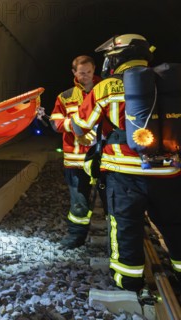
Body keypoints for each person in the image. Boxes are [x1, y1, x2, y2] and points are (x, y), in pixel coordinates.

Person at [71, 34, 181, 292]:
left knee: (125, 224)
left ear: (117, 58)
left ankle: (128, 281)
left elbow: (80, 124)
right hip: (169, 172)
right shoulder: (170, 84)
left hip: (124, 175)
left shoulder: (105, 87)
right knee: (175, 224)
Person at [47, 55, 101, 249]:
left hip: (104, 157)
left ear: (94, 70)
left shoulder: (103, 90)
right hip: (76, 159)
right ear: (74, 73)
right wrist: (76, 126)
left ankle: (117, 239)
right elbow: (55, 122)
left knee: (111, 200)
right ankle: (76, 237)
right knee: (78, 202)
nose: (85, 76)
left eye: (88, 72)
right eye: (81, 73)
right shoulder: (66, 96)